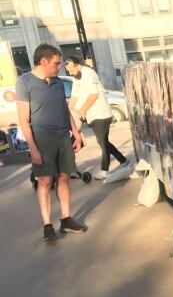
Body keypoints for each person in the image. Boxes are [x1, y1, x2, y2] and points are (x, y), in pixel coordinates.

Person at [16, 44, 88, 241]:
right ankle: (48, 225)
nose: (59, 67)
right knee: (46, 181)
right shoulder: (25, 82)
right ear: (43, 62)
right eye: (56, 63)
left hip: (63, 137)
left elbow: (64, 109)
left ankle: (66, 219)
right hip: (41, 139)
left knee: (64, 177)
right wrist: (33, 149)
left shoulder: (57, 82)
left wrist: (76, 133)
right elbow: (23, 119)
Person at [64, 56, 128, 180]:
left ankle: (104, 170)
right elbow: (75, 97)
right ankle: (123, 160)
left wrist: (82, 110)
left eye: (71, 70)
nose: (70, 73)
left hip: (101, 114)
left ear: (77, 65)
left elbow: (94, 95)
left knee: (102, 142)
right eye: (68, 71)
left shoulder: (88, 74)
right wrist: (66, 110)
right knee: (104, 142)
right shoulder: (76, 78)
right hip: (91, 116)